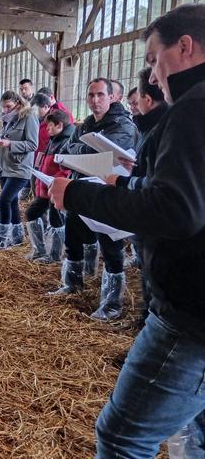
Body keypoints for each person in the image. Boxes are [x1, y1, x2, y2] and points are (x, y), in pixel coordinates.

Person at [48, 3, 205, 459]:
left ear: (185, 47)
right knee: (195, 433)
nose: (153, 74)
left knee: (122, 437)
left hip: (190, 313)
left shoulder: (194, 108)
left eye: (154, 58)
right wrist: (135, 189)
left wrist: (77, 193)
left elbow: (177, 211)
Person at [47, 78, 137, 323]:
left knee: (110, 243)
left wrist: (82, 151)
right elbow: (67, 148)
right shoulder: (86, 123)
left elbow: (109, 154)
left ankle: (111, 302)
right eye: (91, 95)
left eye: (100, 95)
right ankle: (72, 282)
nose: (95, 100)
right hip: (81, 187)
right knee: (73, 234)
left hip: (107, 189)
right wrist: (85, 151)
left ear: (112, 97)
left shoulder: (123, 124)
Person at [105, 67, 169, 324]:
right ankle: (145, 321)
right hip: (147, 216)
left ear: (148, 100)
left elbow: (158, 181)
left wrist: (124, 180)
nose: (133, 107)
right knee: (146, 273)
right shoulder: (149, 129)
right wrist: (136, 167)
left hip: (152, 216)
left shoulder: (160, 130)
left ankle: (149, 322)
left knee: (153, 276)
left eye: (136, 101)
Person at [0, 90, 39, 250]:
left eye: (8, 106)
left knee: (4, 200)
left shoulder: (29, 117)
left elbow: (33, 145)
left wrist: (10, 144)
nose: (5, 110)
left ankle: (1, 239)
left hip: (20, 167)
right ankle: (17, 237)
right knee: (12, 202)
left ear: (18, 103)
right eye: (3, 107)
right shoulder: (8, 120)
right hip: (5, 166)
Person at [25, 110, 73, 262]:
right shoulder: (54, 139)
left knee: (56, 221)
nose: (47, 129)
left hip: (55, 189)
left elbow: (66, 171)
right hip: (45, 188)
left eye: (50, 126)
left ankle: (55, 255)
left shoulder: (67, 142)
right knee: (31, 213)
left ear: (59, 125)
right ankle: (39, 250)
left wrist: (53, 181)